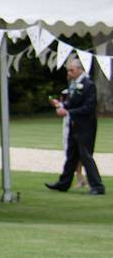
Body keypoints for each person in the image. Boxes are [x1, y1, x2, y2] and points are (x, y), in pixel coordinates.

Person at [46, 58, 105, 195]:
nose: (69, 73)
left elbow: (89, 107)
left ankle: (97, 186)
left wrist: (68, 112)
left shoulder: (88, 85)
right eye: (68, 70)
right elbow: (71, 102)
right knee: (71, 155)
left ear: (80, 70)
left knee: (85, 156)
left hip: (86, 127)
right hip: (74, 125)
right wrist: (61, 105)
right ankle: (63, 183)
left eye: (72, 70)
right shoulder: (74, 84)